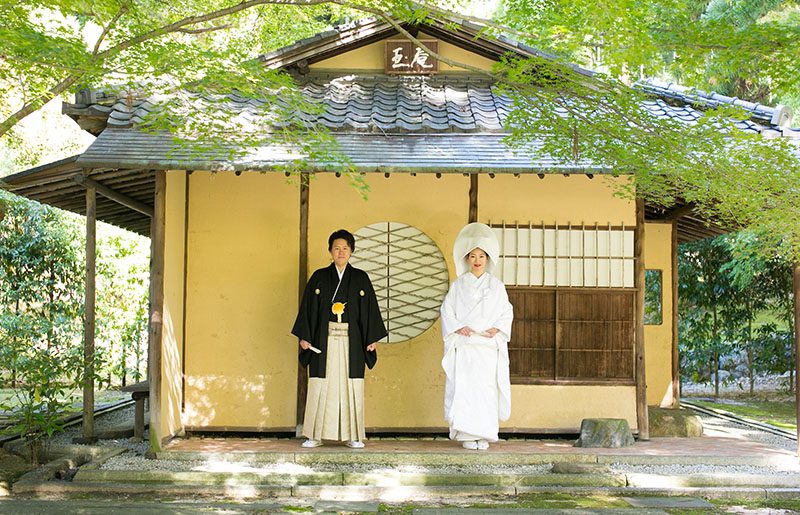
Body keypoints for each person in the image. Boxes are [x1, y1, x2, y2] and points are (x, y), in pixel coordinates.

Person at [292, 229, 387, 449]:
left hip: (351, 341)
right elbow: (308, 309)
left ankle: (353, 435)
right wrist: (305, 337)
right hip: (322, 341)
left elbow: (369, 311)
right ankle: (314, 435)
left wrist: (371, 338)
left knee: (350, 385)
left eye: (345, 248)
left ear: (352, 251)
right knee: (320, 385)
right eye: (336, 248)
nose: (341, 251)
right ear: (330, 251)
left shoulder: (360, 278)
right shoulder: (319, 277)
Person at [440, 222, 513, 450]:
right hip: (466, 345)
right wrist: (457, 326)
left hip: (487, 347)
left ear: (488, 259)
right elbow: (447, 311)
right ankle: (466, 434)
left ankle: (485, 434)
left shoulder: (497, 286)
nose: (478, 260)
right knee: (465, 389)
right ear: (467, 259)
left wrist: (498, 328)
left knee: (486, 391)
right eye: (473, 256)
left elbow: (506, 311)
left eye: (482, 256)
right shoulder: (458, 285)